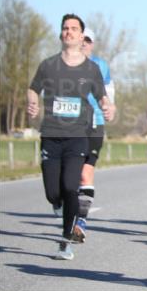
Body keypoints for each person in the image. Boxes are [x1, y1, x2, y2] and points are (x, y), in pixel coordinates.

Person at [28, 14, 114, 260]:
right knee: (53, 193)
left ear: (81, 35)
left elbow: (102, 97)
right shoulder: (48, 65)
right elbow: (33, 89)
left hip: (78, 136)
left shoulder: (92, 68)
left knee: (69, 187)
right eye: (65, 28)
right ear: (61, 34)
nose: (69, 32)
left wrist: (109, 108)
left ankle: (66, 242)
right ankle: (59, 206)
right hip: (51, 136)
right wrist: (32, 103)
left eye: (74, 29)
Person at [75, 28, 115, 241]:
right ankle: (63, 201)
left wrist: (111, 107)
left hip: (95, 122)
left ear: (92, 43)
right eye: (82, 40)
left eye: (88, 41)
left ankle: (81, 220)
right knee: (68, 176)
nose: (84, 44)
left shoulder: (101, 65)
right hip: (70, 125)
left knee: (85, 173)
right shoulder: (64, 64)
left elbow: (110, 90)